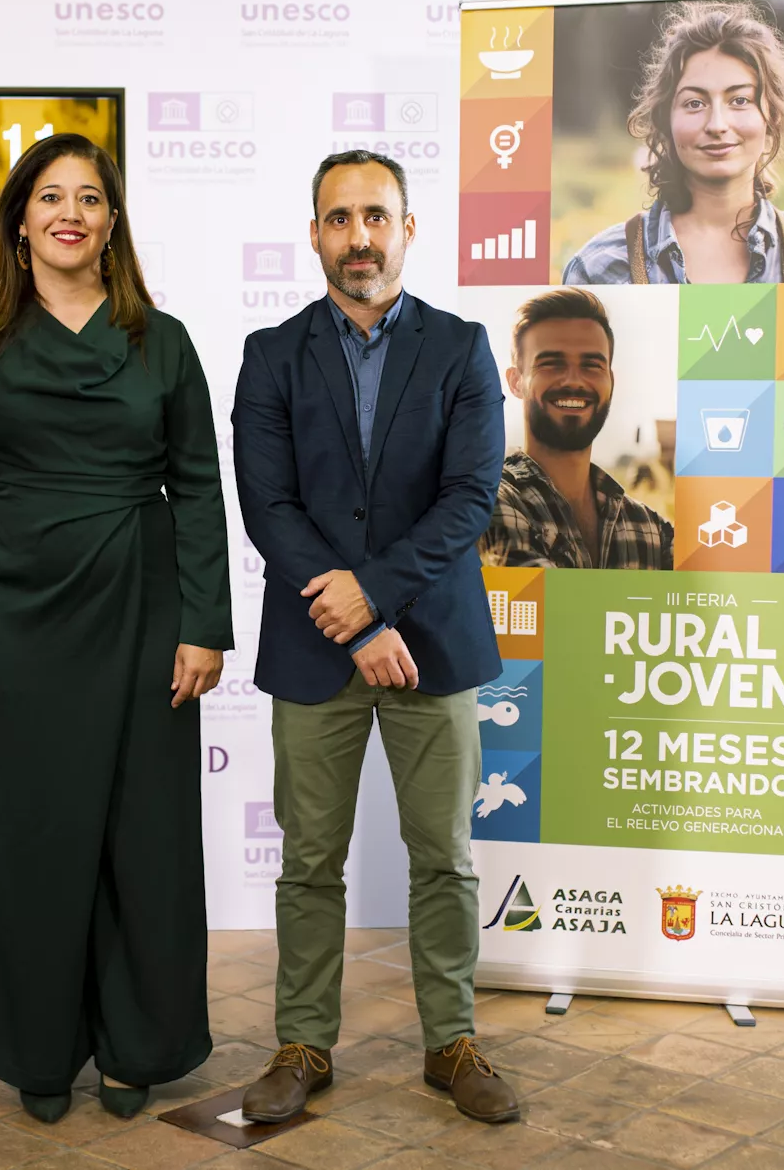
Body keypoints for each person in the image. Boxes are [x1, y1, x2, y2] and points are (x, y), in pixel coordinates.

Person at [0, 133, 232, 1124]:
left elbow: (195, 488)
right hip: (17, 623)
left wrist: (203, 626)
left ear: (111, 221)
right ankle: (39, 1052)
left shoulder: (163, 341)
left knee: (143, 839)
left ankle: (137, 1049)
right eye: (50, 197)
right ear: (19, 222)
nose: (71, 213)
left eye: (90, 198)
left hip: (145, 614)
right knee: (32, 841)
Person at [232, 149, 519, 1126]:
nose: (360, 236)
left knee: (443, 853)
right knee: (311, 858)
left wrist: (378, 604)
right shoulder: (271, 354)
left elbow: (469, 498)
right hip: (317, 650)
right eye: (340, 218)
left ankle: (453, 1044)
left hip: (432, 643)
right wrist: (351, 622)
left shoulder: (463, 347)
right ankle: (303, 1042)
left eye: (377, 216)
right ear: (315, 233)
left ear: (408, 228)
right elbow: (268, 506)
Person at [564, 0, 784, 285]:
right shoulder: (599, 269)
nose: (717, 125)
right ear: (666, 124)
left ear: (771, 121)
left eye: (739, 100)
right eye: (694, 103)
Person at [481, 288, 673, 570]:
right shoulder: (490, 503)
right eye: (551, 364)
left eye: (592, 365)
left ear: (611, 381)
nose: (574, 380)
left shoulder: (650, 528)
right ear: (515, 381)